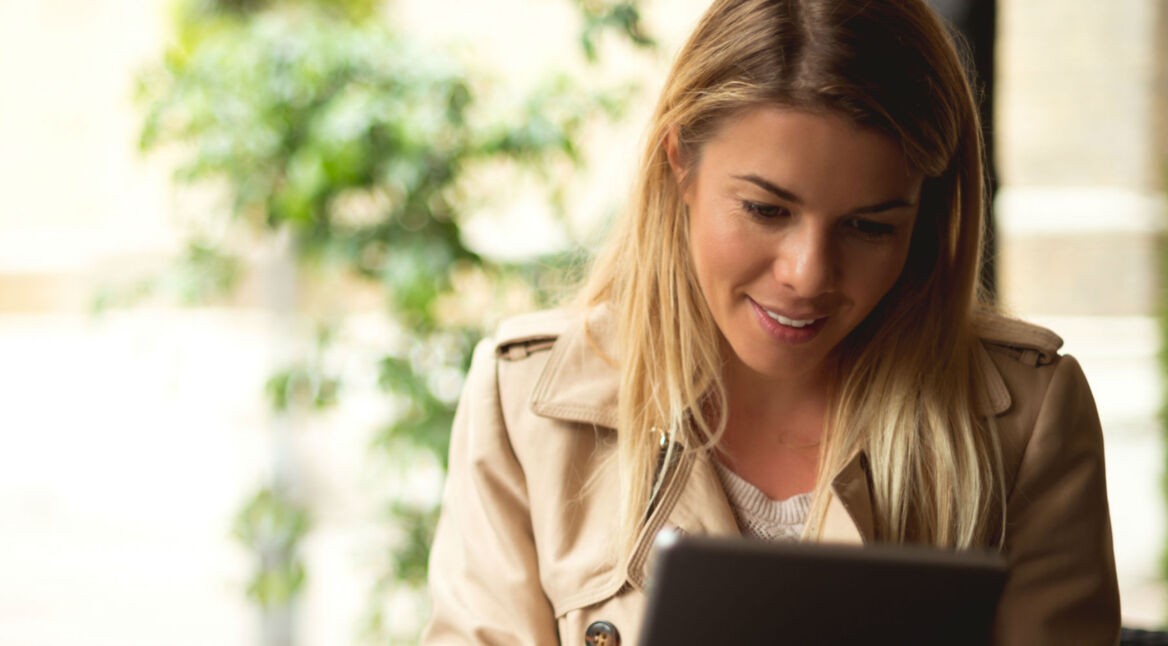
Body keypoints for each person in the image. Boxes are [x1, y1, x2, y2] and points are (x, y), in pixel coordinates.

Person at [422, 0, 1120, 644]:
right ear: (680, 165)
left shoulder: (1023, 421)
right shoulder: (528, 406)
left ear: (926, 216)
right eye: (766, 210)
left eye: (868, 227)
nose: (809, 273)